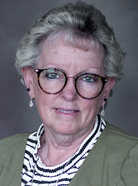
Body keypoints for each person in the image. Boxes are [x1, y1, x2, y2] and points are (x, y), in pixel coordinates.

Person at [0, 1, 138, 185]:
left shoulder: (131, 162)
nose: (69, 93)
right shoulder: (4, 154)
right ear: (30, 80)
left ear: (106, 88)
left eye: (88, 78)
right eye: (53, 75)